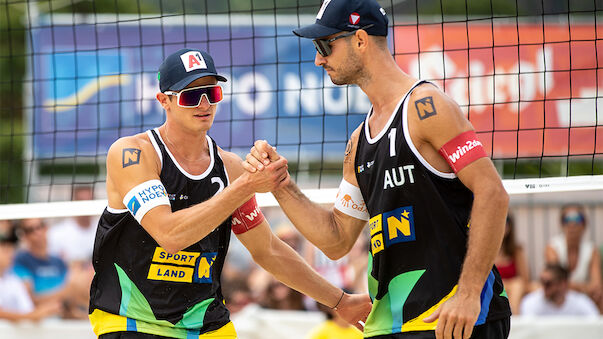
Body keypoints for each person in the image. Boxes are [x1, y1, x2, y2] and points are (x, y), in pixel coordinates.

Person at [243, 1, 511, 338]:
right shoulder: (359, 141)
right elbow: (337, 240)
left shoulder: (426, 107)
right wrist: (281, 184)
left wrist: (469, 294)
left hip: (451, 320)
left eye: (326, 45)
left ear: (360, 40)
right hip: (389, 324)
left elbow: (493, 192)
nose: (318, 59)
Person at [88, 48, 371, 339]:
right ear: (164, 101)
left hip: (208, 325)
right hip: (134, 322)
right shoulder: (133, 153)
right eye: (190, 95)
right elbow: (170, 236)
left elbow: (268, 250)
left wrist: (340, 301)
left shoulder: (230, 167)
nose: (204, 103)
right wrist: (246, 186)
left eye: (211, 92)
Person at [13, 218, 89, 319]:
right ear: (24, 236)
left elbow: (71, 300)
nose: (37, 232)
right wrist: (66, 291)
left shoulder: (58, 261)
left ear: (46, 228)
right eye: (30, 230)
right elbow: (29, 300)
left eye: (40, 227)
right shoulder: (21, 261)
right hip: (37, 323)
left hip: (61, 319)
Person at [0, 223, 61, 321]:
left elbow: (27, 311)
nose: (10, 251)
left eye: (11, 247)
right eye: (4, 247)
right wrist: (36, 314)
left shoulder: (13, 279)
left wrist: (45, 311)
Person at [545, 204, 602, 308]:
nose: (572, 224)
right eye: (567, 219)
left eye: (577, 219)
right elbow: (556, 281)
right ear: (562, 224)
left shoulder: (591, 250)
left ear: (584, 224)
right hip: (560, 296)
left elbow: (596, 285)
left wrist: (572, 286)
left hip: (583, 298)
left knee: (600, 296)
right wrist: (584, 288)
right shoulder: (553, 247)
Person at [520, 263, 599, 316]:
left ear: (563, 284)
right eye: (542, 281)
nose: (543, 287)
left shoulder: (581, 302)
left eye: (548, 283)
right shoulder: (530, 302)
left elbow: (595, 325)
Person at [494, 214, 530, 314]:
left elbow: (525, 279)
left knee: (518, 284)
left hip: (515, 290)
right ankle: (513, 316)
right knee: (515, 285)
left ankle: (514, 316)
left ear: (509, 227)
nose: (500, 226)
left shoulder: (516, 251)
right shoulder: (485, 252)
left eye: (504, 223)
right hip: (495, 289)